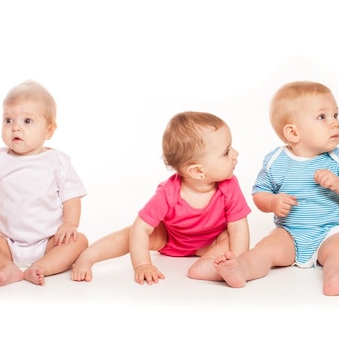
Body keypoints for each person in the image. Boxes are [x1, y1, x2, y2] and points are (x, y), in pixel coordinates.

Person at [214, 81, 339, 296]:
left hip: (331, 231)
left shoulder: (337, 159)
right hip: (290, 233)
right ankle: (242, 269)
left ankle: (337, 276)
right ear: (293, 133)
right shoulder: (276, 161)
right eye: (322, 117)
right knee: (266, 248)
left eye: (336, 115)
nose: (335, 123)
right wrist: (273, 202)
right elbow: (259, 194)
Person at [71, 111, 250, 284]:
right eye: (226, 152)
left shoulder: (229, 185)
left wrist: (239, 261)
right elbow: (141, 228)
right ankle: (88, 256)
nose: (235, 154)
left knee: (231, 238)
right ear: (197, 171)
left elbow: (238, 227)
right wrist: (143, 265)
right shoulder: (168, 193)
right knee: (132, 233)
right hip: (171, 240)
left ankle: (213, 266)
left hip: (211, 243)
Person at [0, 80, 88, 287]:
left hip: (48, 241)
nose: (16, 128)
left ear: (49, 130)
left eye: (27, 121)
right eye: (9, 120)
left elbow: (71, 197)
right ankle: (6, 266)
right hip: (7, 242)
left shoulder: (58, 162)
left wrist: (69, 225)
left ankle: (42, 267)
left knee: (79, 241)